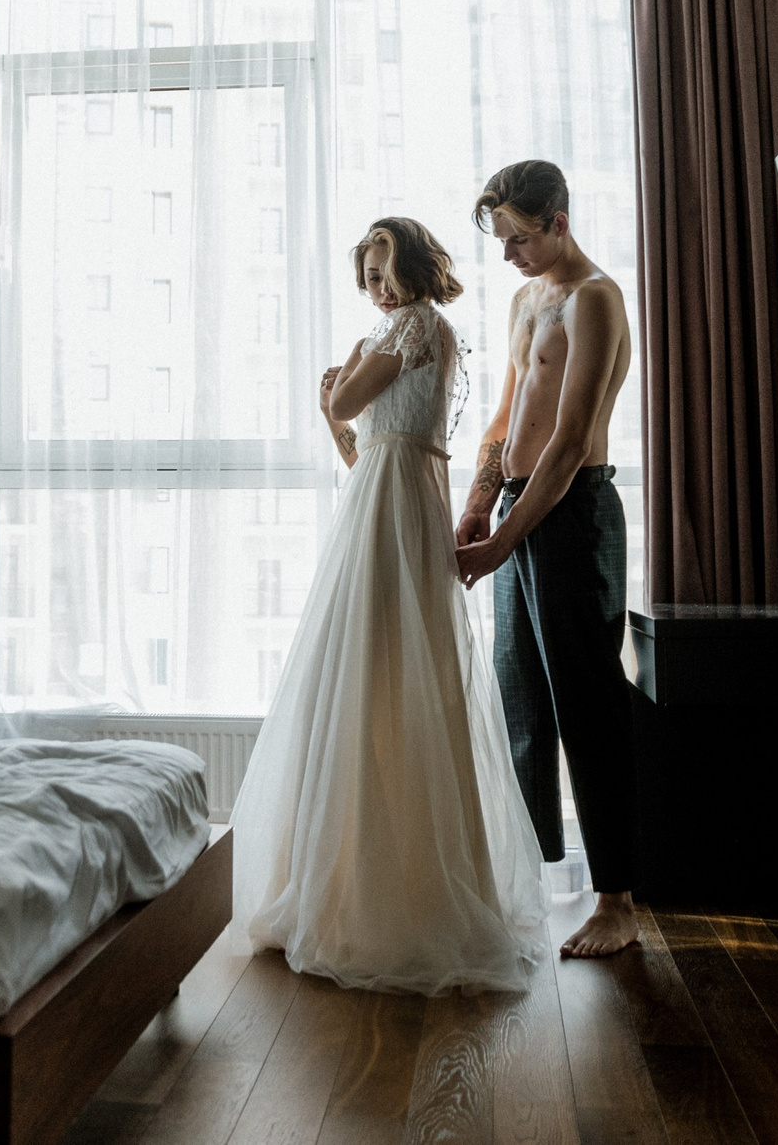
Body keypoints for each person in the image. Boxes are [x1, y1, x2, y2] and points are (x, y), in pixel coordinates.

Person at [230, 218, 547, 994]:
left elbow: (349, 405)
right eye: (367, 274)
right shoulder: (429, 331)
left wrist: (330, 393)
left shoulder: (411, 323)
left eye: (383, 268)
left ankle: (367, 890)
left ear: (408, 265)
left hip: (393, 505)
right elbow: (359, 441)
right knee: (397, 675)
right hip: (397, 492)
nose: (375, 286)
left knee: (367, 672)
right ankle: (388, 873)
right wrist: (333, 408)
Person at [453, 160, 643, 958]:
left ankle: (619, 898)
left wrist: (504, 539)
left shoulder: (596, 298)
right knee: (520, 697)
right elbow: (505, 416)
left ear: (558, 222)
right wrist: (475, 503)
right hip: (517, 509)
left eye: (518, 239)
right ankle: (527, 875)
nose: (508, 257)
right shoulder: (528, 299)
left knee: (586, 704)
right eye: (500, 241)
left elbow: (568, 443)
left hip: (572, 514)